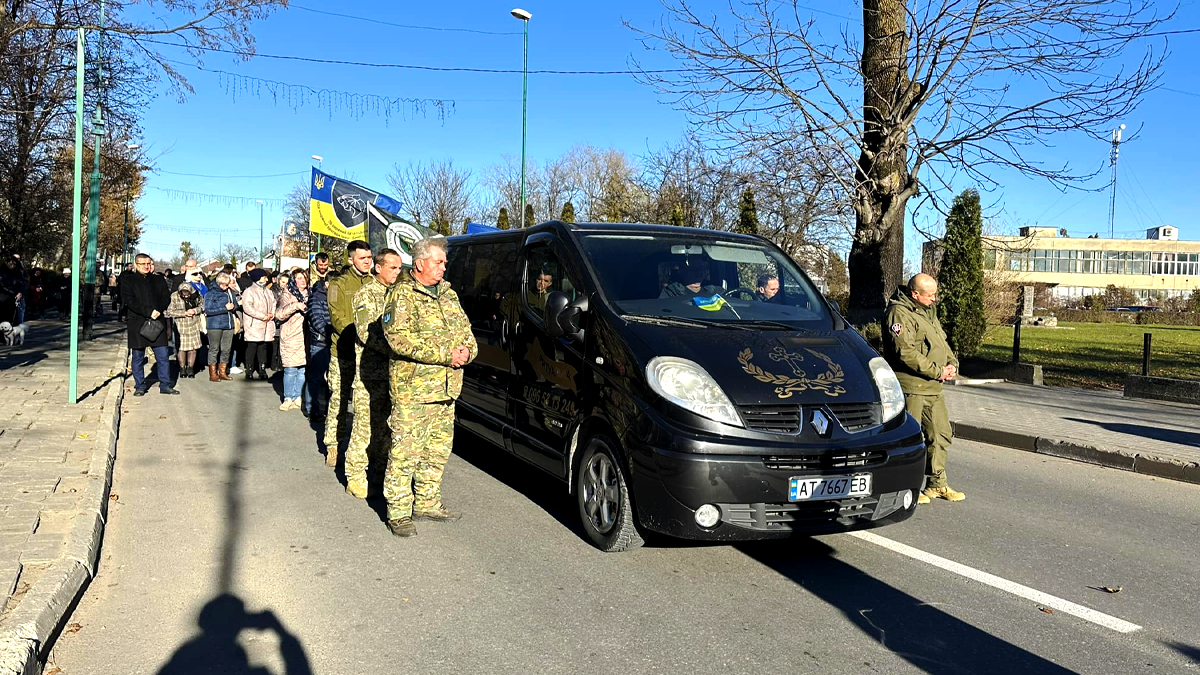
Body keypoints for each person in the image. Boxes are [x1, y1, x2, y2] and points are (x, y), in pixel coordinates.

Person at [380, 237, 477, 537]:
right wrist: (444, 355)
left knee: (437, 450)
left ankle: (427, 502)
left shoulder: (448, 295)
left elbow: (467, 333)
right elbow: (397, 338)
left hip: (446, 390)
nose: (443, 267)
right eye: (438, 262)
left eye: (445, 262)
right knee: (405, 452)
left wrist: (467, 353)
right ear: (420, 263)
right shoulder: (402, 295)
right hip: (413, 391)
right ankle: (397, 512)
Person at [883, 273, 964, 504]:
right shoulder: (899, 313)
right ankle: (906, 486)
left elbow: (942, 342)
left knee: (940, 435)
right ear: (914, 293)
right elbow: (905, 352)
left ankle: (937, 484)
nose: (934, 299)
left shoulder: (927, 311)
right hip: (911, 387)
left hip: (933, 388)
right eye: (930, 295)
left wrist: (951, 364)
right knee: (908, 439)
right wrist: (937, 370)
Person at [344, 248, 403, 498]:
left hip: (394, 375)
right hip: (370, 375)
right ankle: (355, 475)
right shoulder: (366, 294)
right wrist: (399, 349)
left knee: (386, 428)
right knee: (364, 428)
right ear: (378, 267)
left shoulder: (399, 295)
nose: (397, 272)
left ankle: (379, 472)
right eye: (393, 267)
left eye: (400, 268)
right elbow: (365, 332)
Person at [323, 240, 373, 465]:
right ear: (351, 259)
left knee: (366, 404)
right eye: (363, 258)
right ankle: (333, 444)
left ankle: (364, 448)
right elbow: (337, 317)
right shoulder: (338, 284)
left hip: (370, 355)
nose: (367, 262)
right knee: (339, 400)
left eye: (370, 258)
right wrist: (360, 336)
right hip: (343, 352)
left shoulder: (374, 283)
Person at [121, 254, 178, 396]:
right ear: (136, 265)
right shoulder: (128, 280)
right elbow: (129, 300)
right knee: (138, 357)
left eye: (148, 263)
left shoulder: (158, 279)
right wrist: (148, 312)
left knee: (163, 355)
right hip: (138, 322)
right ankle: (139, 385)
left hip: (157, 321)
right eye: (142, 264)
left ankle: (165, 385)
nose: (146, 266)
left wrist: (158, 310)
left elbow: (166, 297)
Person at [275, 270, 309, 411]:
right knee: (290, 369)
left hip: (304, 336)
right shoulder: (286, 294)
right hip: (290, 336)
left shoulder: (310, 294)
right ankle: (288, 397)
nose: (302, 281)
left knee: (302, 369)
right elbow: (279, 314)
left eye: (304, 278)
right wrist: (296, 306)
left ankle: (297, 397)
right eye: (299, 278)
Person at [304, 259, 332, 422]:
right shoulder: (316, 298)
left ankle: (329, 410)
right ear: (326, 283)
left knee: (331, 380)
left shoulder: (334, 296)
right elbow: (316, 320)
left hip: (332, 343)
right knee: (315, 378)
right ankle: (312, 408)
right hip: (320, 342)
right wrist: (330, 333)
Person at [239, 268, 276, 381]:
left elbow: (274, 303)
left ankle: (262, 368)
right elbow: (248, 307)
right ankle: (249, 369)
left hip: (267, 324)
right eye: (263, 276)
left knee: (263, 347)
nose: (266, 278)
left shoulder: (268, 291)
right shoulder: (249, 291)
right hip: (254, 324)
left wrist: (271, 314)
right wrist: (262, 316)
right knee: (252, 347)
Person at [203, 273, 240, 382]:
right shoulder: (210, 294)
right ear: (218, 283)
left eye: (227, 285)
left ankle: (223, 372)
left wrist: (233, 307)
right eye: (223, 285)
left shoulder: (229, 292)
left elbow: (235, 305)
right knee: (214, 349)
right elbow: (208, 310)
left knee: (226, 349)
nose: (225, 287)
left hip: (228, 324)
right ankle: (213, 373)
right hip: (214, 325)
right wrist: (224, 308)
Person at [165, 282, 204, 378]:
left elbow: (202, 306)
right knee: (181, 348)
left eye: (187, 294)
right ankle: (182, 368)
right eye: (183, 294)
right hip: (180, 325)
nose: (185, 296)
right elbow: (169, 311)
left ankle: (190, 368)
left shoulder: (197, 295)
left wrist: (195, 311)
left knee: (193, 348)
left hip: (194, 324)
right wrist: (184, 313)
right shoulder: (174, 296)